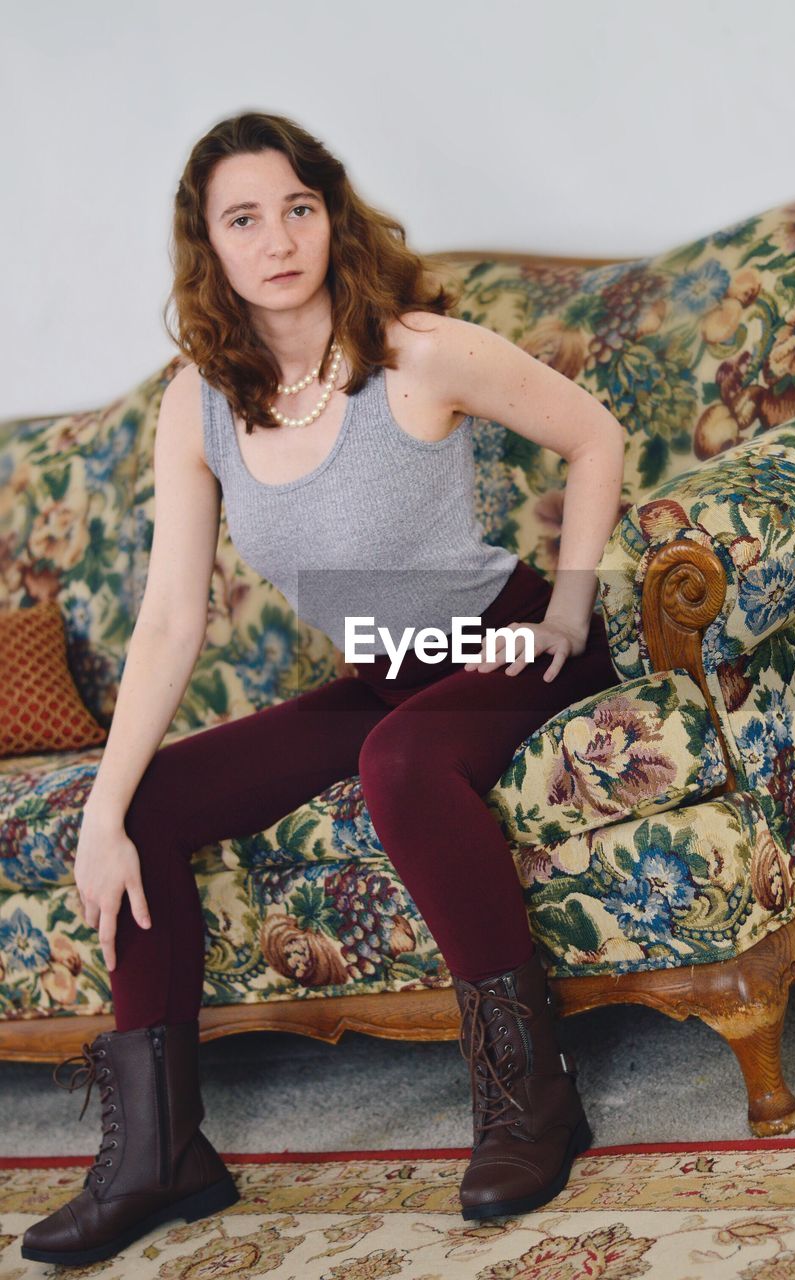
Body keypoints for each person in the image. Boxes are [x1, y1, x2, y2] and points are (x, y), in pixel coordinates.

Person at [21, 110, 625, 1267]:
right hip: (380, 675)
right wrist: (101, 810)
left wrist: (567, 605)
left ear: (330, 213)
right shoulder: (198, 400)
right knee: (145, 804)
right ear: (209, 247)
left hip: (504, 648)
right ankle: (159, 1154)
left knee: (396, 762)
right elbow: (170, 618)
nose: (277, 236)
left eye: (297, 206)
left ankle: (530, 1096)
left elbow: (590, 436)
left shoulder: (417, 350)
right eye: (242, 218)